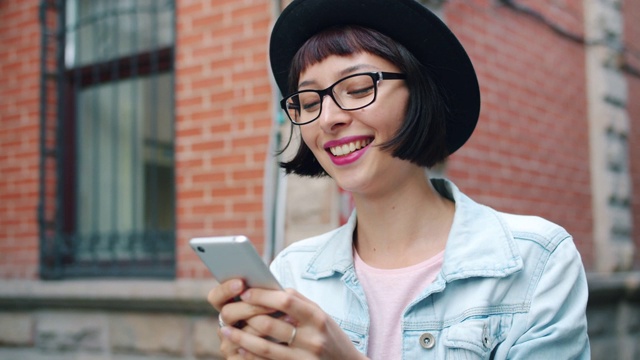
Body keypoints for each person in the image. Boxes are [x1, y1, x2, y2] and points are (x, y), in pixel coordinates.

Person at [208, 0, 591, 358]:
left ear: (419, 94)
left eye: (357, 89)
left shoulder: (536, 261)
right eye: (309, 103)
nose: (328, 119)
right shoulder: (292, 273)